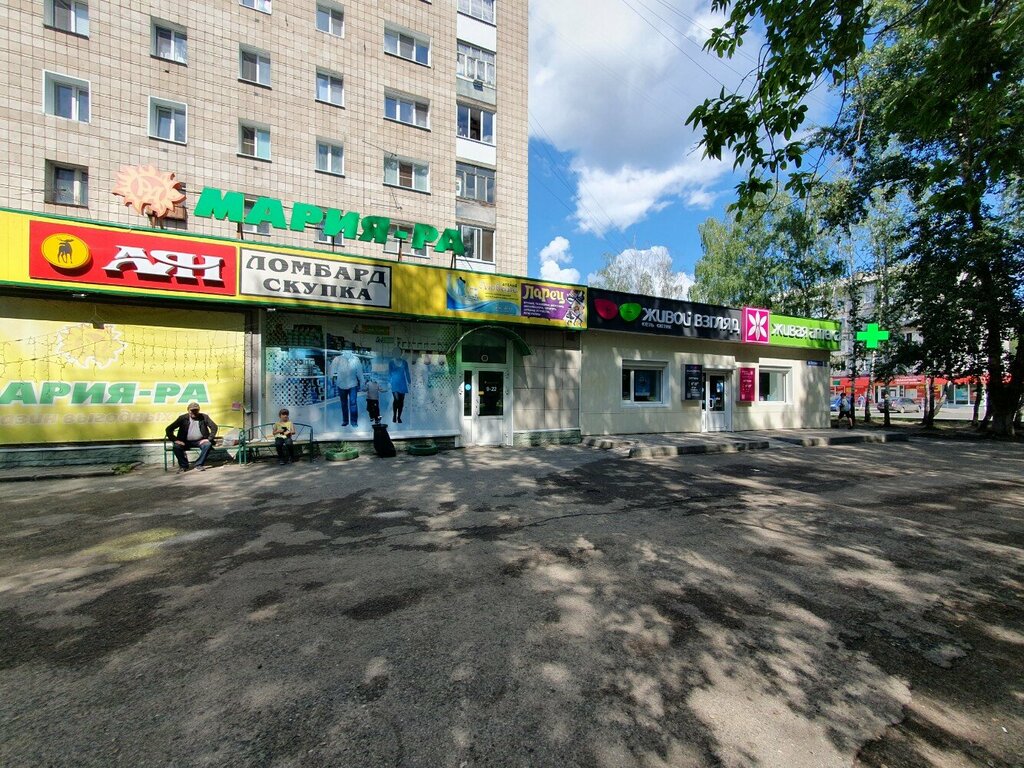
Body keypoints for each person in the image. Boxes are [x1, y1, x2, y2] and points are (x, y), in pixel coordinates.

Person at [166, 401, 218, 473]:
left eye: (196, 410)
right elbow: (169, 429)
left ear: (198, 410)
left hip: (200, 441)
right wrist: (175, 440)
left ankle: (199, 464)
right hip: (184, 441)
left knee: (207, 445)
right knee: (176, 446)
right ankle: (183, 466)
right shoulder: (182, 418)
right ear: (188, 410)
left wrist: (209, 439)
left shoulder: (204, 417)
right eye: (192, 410)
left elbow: (214, 427)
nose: (194, 412)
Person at [329, 350, 362, 428]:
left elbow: (359, 372)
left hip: (353, 384)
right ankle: (345, 421)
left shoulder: (356, 359)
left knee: (353, 403)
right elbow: (332, 370)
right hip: (341, 385)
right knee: (344, 404)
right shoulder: (337, 359)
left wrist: (362, 382)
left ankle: (354, 422)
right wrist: (331, 377)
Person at [388, 348, 411, 424]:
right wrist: (389, 382)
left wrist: (409, 381)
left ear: (401, 353)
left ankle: (399, 417)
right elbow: (389, 373)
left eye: (399, 352)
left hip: (402, 383)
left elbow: (407, 372)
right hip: (394, 383)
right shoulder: (391, 362)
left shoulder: (404, 362)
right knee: (396, 399)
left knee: (401, 401)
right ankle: (394, 415)